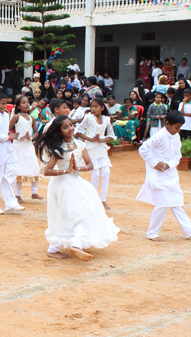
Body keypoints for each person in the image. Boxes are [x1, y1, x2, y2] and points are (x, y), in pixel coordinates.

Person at [38, 115, 119, 261]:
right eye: (65, 127)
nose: (70, 128)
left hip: (77, 183)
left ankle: (74, 244)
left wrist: (78, 169)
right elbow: (47, 171)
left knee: (83, 213)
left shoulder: (80, 144)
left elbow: (90, 164)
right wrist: (65, 171)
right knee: (69, 215)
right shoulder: (59, 148)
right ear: (60, 131)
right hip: (62, 184)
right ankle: (59, 247)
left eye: (71, 125)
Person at [136, 110, 191, 242]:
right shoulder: (159, 136)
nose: (179, 130)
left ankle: (189, 231)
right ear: (167, 124)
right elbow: (143, 149)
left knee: (176, 202)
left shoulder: (176, 136)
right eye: (177, 127)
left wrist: (168, 165)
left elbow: (177, 155)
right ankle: (152, 233)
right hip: (157, 175)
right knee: (161, 204)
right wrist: (155, 163)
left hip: (170, 174)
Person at [75, 97, 115, 210]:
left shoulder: (106, 119)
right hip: (90, 148)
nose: (93, 108)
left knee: (106, 172)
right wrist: (91, 139)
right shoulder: (88, 117)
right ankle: (92, 200)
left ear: (102, 108)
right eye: (92, 106)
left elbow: (111, 135)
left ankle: (103, 200)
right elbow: (77, 131)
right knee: (96, 174)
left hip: (101, 148)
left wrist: (101, 140)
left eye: (96, 106)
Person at [10, 96, 42, 204]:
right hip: (18, 147)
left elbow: (36, 132)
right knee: (19, 170)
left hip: (28, 146)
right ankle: (17, 195)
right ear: (18, 106)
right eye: (24, 102)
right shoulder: (16, 117)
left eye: (28, 102)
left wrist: (31, 138)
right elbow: (8, 129)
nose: (27, 104)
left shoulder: (31, 118)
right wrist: (17, 136)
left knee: (35, 167)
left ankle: (34, 192)